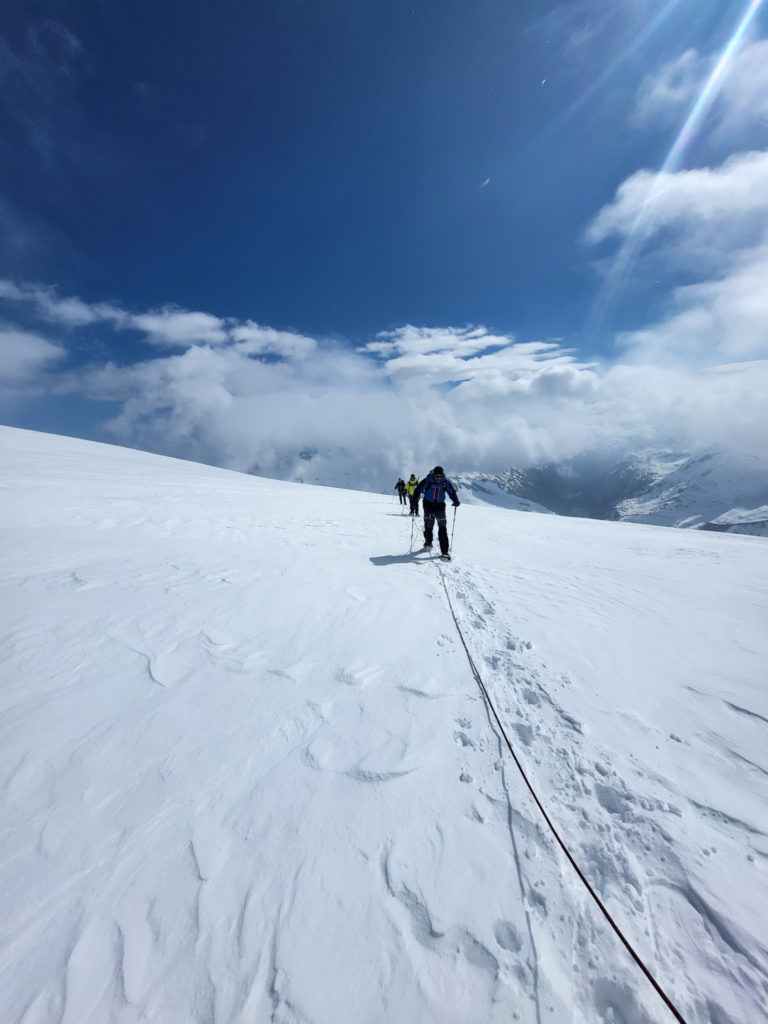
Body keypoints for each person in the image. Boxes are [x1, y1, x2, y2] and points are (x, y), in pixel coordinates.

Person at [414, 466, 460, 558]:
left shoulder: (445, 482)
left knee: (442, 528)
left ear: (442, 475)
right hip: (428, 505)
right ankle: (428, 542)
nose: (438, 478)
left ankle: (445, 551)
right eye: (436, 476)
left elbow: (451, 492)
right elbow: (418, 488)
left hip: (440, 506)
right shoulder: (427, 480)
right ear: (433, 475)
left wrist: (455, 500)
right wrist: (415, 497)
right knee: (428, 526)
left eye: (440, 476)